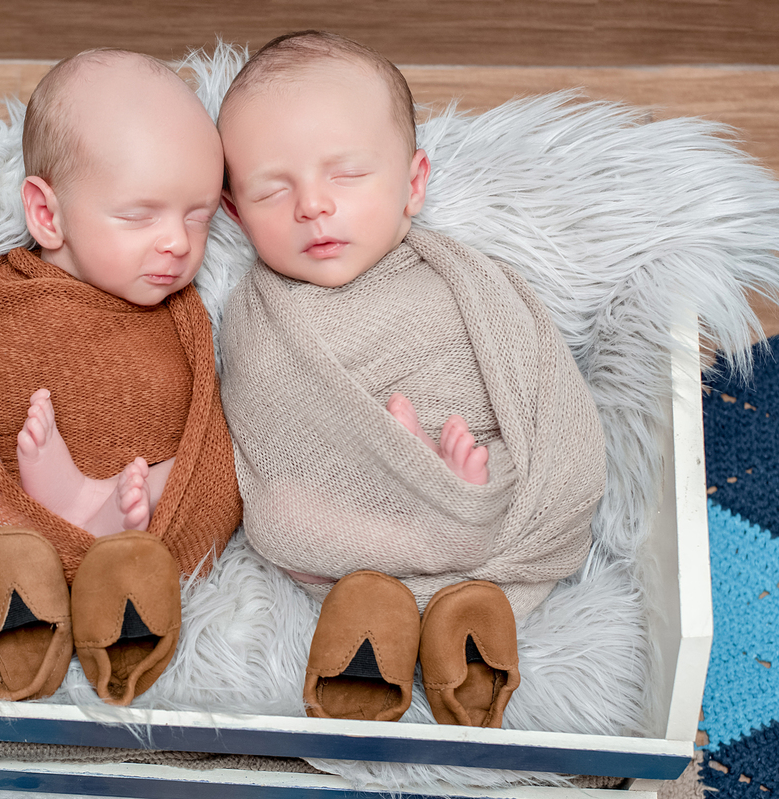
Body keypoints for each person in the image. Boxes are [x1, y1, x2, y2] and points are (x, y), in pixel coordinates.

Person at [216, 31, 606, 726]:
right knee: (278, 516)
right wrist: (396, 467)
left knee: (522, 458)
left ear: (413, 183)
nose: (312, 205)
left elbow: (544, 395)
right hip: (344, 525)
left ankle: (435, 603)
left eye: (347, 175)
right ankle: (426, 615)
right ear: (233, 211)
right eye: (273, 189)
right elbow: (267, 448)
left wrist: (475, 478)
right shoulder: (256, 319)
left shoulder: (468, 282)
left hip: (491, 489)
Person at [0, 49, 242, 706]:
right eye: (140, 214)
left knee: (208, 465)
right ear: (47, 213)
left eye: (198, 216)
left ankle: (106, 526)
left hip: (146, 518)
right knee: (11, 533)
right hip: (15, 523)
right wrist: (11, 511)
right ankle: (59, 528)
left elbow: (212, 432)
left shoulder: (185, 313)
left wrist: (162, 501)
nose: (178, 242)